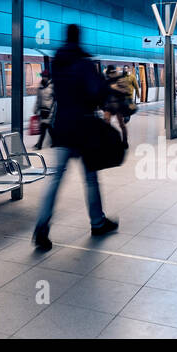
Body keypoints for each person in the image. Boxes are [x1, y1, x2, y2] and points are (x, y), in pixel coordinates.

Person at [33, 25, 117, 251]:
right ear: (79, 38)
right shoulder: (84, 63)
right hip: (84, 127)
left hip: (61, 126)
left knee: (56, 179)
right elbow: (95, 92)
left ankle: (42, 226)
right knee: (90, 178)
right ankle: (97, 222)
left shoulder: (57, 61)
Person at [34, 71, 55, 149]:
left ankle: (39, 145)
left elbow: (55, 101)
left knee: (43, 128)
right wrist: (36, 109)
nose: (44, 78)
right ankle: (55, 141)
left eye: (45, 76)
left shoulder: (52, 87)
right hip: (42, 110)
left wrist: (52, 112)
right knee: (49, 128)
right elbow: (38, 99)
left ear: (48, 77)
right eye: (43, 76)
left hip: (49, 110)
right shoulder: (40, 87)